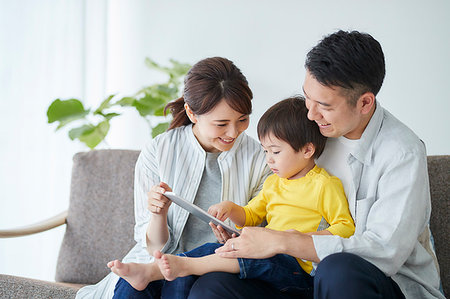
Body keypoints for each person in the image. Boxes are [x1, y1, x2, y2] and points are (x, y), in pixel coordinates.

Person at [188, 31, 445, 299]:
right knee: (213, 286)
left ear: (365, 103)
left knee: (337, 270)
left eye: (324, 105)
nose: (311, 113)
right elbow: (277, 203)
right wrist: (247, 238)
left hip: (383, 283)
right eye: (307, 97)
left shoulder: (402, 153)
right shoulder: (310, 133)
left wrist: (283, 241)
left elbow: (384, 253)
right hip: (301, 276)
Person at [107, 96, 355, 296]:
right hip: (267, 255)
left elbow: (346, 228)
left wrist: (295, 238)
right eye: (266, 150)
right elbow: (250, 215)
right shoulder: (273, 183)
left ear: (307, 150)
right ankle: (159, 269)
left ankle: (181, 266)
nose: (268, 159)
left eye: (275, 152)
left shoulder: (324, 185)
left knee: (243, 255)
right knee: (217, 249)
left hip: (297, 268)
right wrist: (230, 209)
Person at [75, 57, 271, 299]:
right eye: (221, 124)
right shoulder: (159, 151)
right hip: (157, 260)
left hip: (215, 266)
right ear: (192, 112)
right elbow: (153, 247)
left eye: (242, 120)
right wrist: (158, 214)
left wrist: (235, 231)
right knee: (128, 290)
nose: (233, 132)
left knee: (180, 283)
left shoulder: (261, 158)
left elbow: (263, 232)